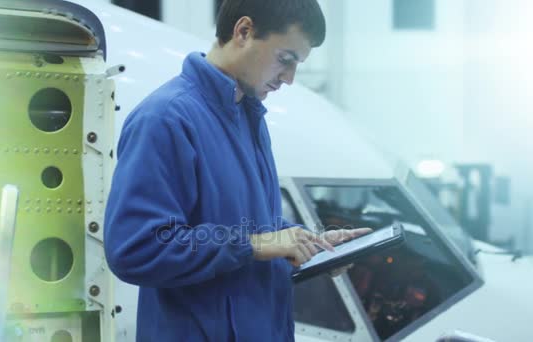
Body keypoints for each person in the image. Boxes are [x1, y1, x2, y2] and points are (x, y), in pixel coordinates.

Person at [104, 0, 371, 341]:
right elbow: (137, 247)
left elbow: (250, 225)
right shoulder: (166, 119)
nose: (289, 79)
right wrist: (255, 244)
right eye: (285, 60)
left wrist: (308, 243)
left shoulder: (248, 117)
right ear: (243, 31)